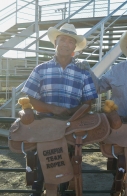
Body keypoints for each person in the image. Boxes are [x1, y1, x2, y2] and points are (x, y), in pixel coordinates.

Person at [21, 23, 98, 196]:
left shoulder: (83, 73)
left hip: (70, 129)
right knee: (41, 171)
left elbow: (89, 101)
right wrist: (54, 110)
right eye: (62, 39)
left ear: (74, 46)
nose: (66, 44)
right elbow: (31, 98)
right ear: (55, 42)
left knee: (66, 171)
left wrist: (72, 113)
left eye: (70, 41)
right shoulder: (40, 69)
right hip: (44, 129)